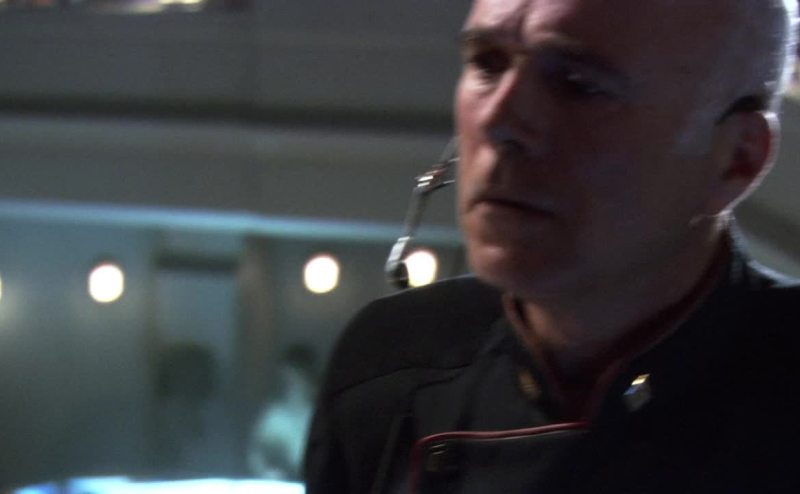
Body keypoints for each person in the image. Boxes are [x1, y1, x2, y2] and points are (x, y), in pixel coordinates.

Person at [305, 0, 800, 492]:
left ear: (736, 159)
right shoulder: (391, 370)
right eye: (488, 63)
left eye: (579, 84)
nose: (499, 120)